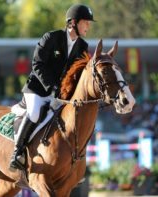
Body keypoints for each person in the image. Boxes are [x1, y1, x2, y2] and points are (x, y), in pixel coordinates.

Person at [10, 4, 95, 170]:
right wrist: (52, 88)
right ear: (73, 23)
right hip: (38, 89)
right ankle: (17, 152)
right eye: (85, 22)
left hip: (61, 94)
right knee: (35, 113)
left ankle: (70, 163)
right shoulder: (51, 38)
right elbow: (37, 64)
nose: (88, 26)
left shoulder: (82, 47)